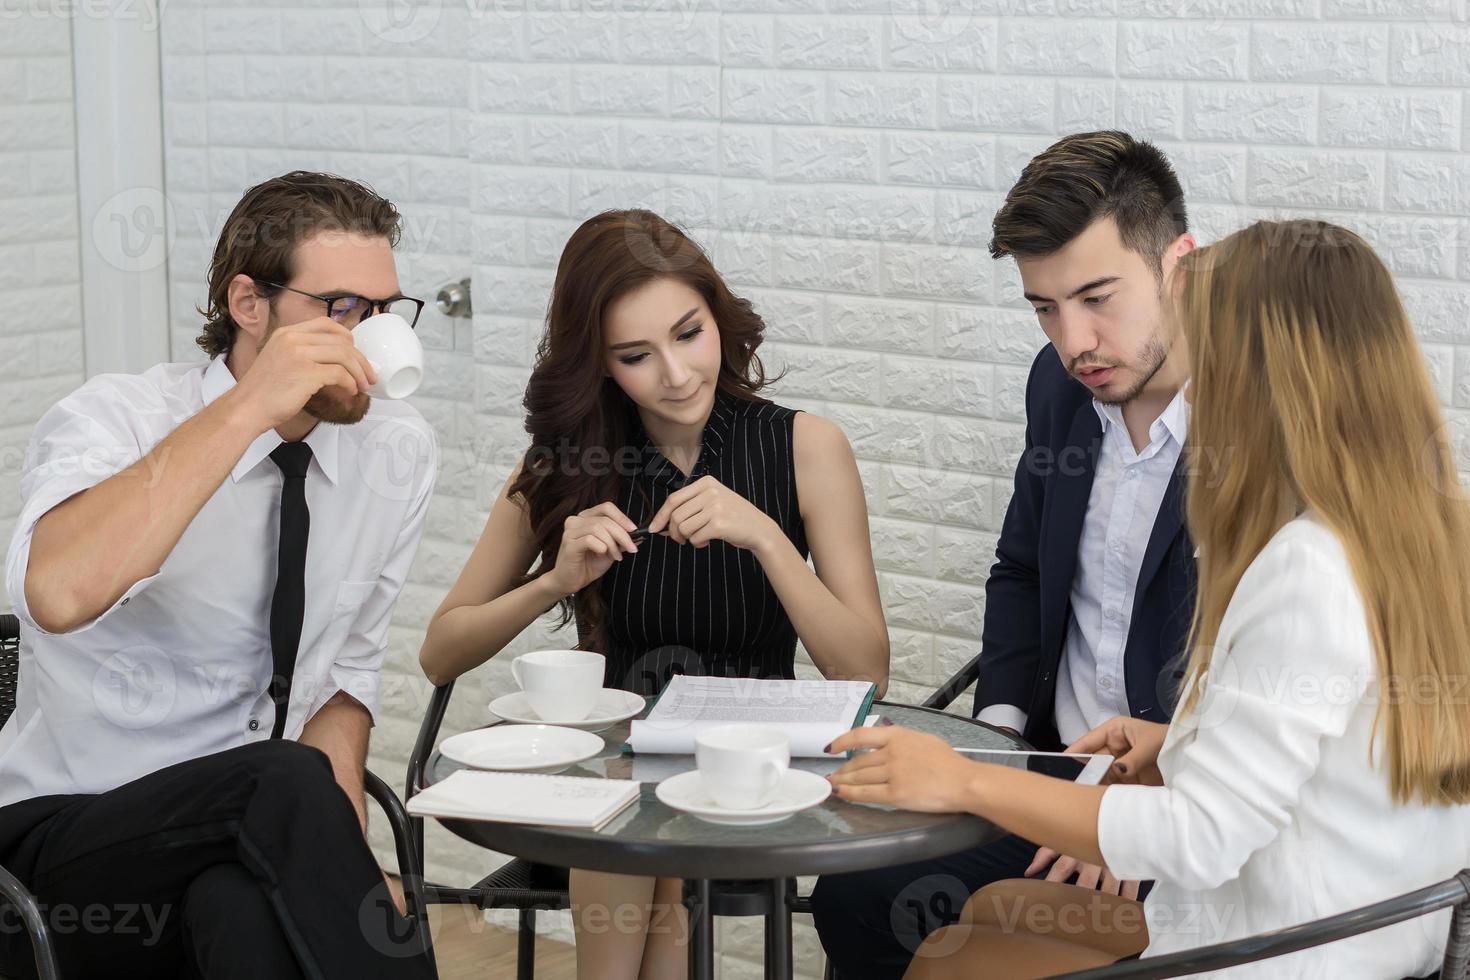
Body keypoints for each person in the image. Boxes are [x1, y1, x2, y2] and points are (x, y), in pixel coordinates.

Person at [828, 218, 1470, 979]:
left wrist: (963, 777)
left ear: (1263, 373)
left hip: (1280, 953)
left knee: (949, 963)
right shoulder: (1426, 528)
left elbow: (1202, 836)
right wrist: (1181, 744)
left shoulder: (1305, 567)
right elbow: (1351, 740)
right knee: (988, 914)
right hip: (1369, 931)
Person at [418, 208, 889, 979]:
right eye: (636, 355)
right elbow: (441, 651)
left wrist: (768, 538)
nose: (675, 375)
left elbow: (866, 674)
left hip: (753, 776)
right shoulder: (566, 464)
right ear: (598, 363)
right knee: (633, 820)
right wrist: (554, 583)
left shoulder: (806, 446)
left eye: (689, 334)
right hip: (620, 780)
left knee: (640, 831)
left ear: (719, 318)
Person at [0, 172, 439, 978]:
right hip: (63, 844)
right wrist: (249, 411)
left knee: (241, 908)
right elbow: (57, 594)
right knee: (279, 779)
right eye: (342, 308)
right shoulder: (116, 419)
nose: (369, 333)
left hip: (247, 843)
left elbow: (343, 683)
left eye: (386, 311)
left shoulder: (396, 450)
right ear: (249, 304)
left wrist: (337, 869)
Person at [811, 130, 1199, 978]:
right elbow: (1022, 571)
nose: (1075, 340)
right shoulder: (1059, 386)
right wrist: (997, 739)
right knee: (852, 894)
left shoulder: (1264, 424)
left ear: (1180, 265)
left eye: (1098, 297)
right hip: (1047, 773)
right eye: (1044, 308)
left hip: (1181, 800)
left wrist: (1143, 804)